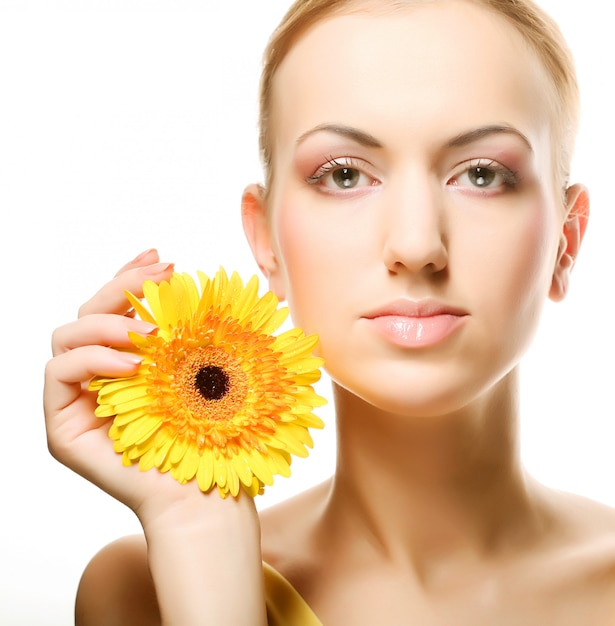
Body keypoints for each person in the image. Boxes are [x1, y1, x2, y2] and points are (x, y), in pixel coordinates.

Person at [43, 0, 615, 624]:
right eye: (344, 175)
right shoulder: (143, 590)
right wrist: (197, 528)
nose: (417, 245)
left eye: (481, 174)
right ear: (267, 245)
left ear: (567, 240)